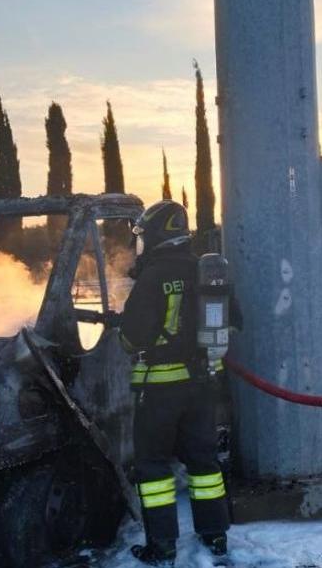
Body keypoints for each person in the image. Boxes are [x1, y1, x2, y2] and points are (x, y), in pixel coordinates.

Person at [118, 200, 241, 566]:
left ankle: (163, 546)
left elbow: (133, 339)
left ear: (155, 235)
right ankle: (215, 536)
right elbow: (234, 318)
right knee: (204, 463)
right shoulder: (205, 269)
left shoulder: (153, 275)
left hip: (160, 391)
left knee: (153, 468)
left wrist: (123, 330)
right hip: (202, 386)